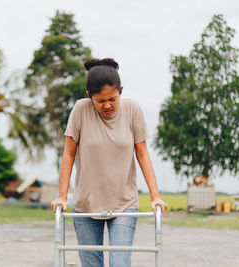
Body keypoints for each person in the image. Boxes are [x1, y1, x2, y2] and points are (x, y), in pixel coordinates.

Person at [51, 58, 168, 267]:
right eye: (100, 101)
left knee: (120, 262)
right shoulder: (80, 110)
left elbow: (142, 155)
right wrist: (61, 197)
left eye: (113, 99)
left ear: (121, 91)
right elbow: (68, 154)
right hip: (86, 205)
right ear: (89, 96)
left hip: (124, 204)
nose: (107, 106)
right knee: (91, 264)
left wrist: (155, 196)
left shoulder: (132, 110)